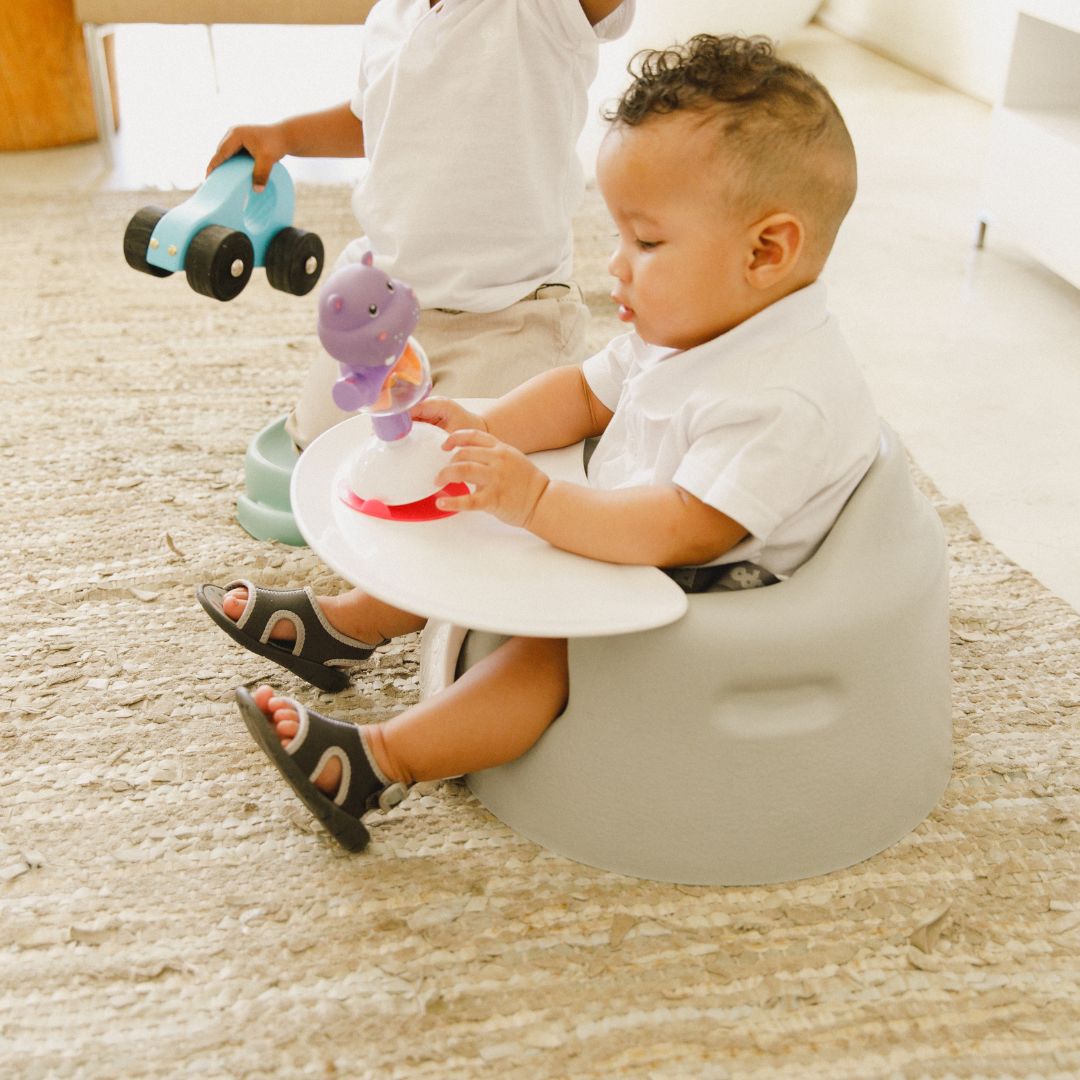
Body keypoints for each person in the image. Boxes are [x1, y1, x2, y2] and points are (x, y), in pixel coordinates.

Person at [197, 34, 882, 851]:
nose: (616, 265)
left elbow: (691, 529)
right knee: (481, 510)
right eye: (621, 236)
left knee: (547, 655)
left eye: (649, 243)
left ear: (767, 250)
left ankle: (375, 762)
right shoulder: (695, 322)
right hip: (638, 522)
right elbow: (587, 392)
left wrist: (541, 502)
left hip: (711, 589)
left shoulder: (782, 396)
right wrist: (488, 430)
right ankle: (351, 627)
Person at [206, 0, 636, 450]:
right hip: (390, 304)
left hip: (513, 311)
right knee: (322, 443)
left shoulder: (540, 10)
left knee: (475, 451)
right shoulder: (389, 17)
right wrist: (285, 136)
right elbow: (373, 118)